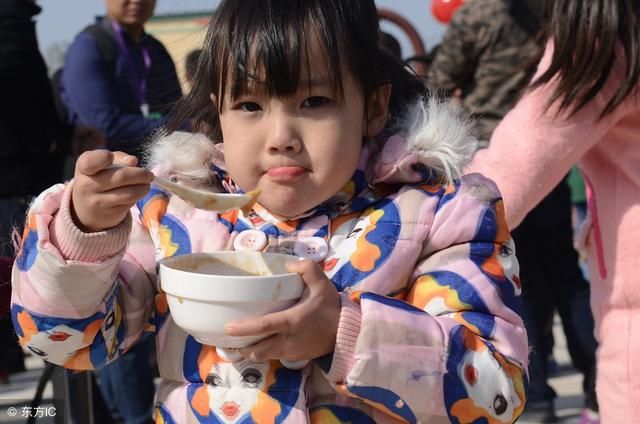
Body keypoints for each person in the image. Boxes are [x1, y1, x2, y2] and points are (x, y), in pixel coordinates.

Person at [11, 0, 529, 422]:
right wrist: (85, 235)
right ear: (218, 110)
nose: (281, 138)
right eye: (251, 106)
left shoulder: (444, 212)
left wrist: (343, 333)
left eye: (315, 101)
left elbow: (495, 389)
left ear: (372, 106)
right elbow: (68, 343)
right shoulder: (175, 214)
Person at [469, 0, 640, 422]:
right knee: (567, 284)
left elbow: (503, 179)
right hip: (559, 188)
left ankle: (537, 395)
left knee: (527, 287)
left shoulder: (602, 34)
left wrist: (404, 218)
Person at [59, 0, 183, 159]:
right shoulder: (88, 47)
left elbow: (178, 110)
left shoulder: (156, 49)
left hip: (160, 168)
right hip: (108, 172)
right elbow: (105, 126)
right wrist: (179, 127)